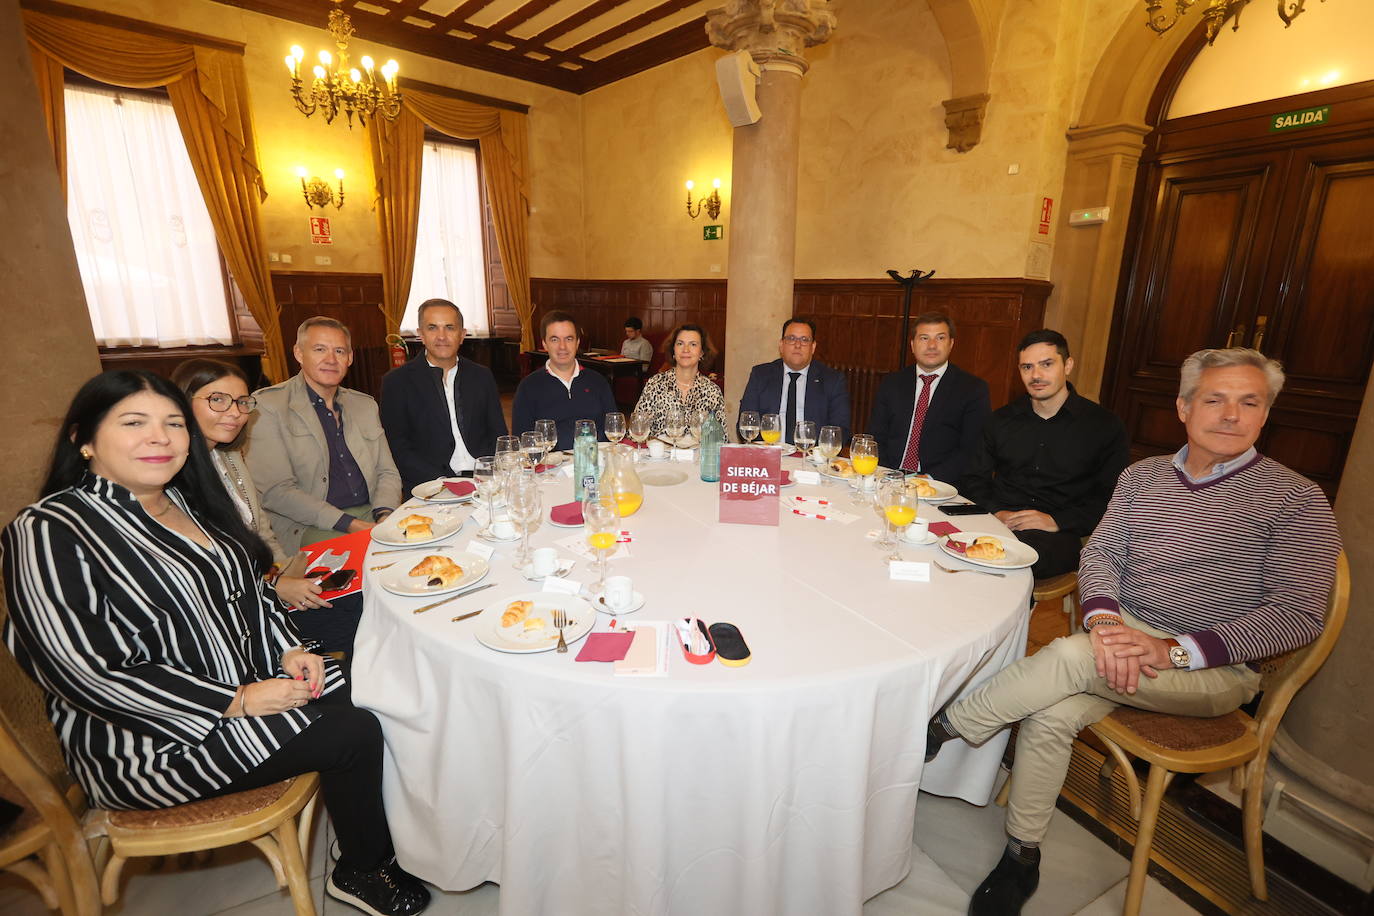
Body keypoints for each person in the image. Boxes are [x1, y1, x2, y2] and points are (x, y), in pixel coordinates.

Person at [924, 348, 1341, 915]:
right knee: (1051, 712)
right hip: (1117, 637)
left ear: (1266, 415)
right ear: (1184, 407)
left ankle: (937, 731)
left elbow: (1297, 614)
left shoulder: (1296, 498)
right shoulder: (1144, 475)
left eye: (1250, 403)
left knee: (1070, 659)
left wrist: (1173, 651)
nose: (1231, 415)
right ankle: (1022, 854)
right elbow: (1101, 553)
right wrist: (1104, 622)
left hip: (1214, 668)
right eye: (1215, 400)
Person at [1, 370, 430, 916]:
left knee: (380, 687)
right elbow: (82, 671)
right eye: (134, 423)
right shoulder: (51, 530)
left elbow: (249, 594)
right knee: (354, 731)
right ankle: (362, 870)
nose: (160, 438)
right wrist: (238, 700)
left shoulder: (183, 502)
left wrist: (288, 651)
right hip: (151, 741)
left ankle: (385, 835)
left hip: (250, 681)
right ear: (83, 439)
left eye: (173, 423)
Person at [173, 358, 363, 656]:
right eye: (218, 400)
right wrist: (276, 588)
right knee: (360, 618)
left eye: (241, 402)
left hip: (271, 584)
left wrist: (283, 573)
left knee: (364, 589)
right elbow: (207, 574)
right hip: (240, 616)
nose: (234, 413)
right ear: (181, 403)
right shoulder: (175, 479)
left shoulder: (229, 458)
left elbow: (261, 530)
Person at [958, 330, 1129, 579]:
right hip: (996, 522)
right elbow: (973, 479)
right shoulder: (1001, 420)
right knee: (941, 544)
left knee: (1001, 566)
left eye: (1046, 364)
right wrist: (998, 512)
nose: (1036, 375)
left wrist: (1056, 520)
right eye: (1027, 367)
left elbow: (1112, 500)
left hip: (1057, 535)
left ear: (1067, 365)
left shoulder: (1103, 426)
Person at [247, 317, 402, 555]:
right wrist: (352, 525)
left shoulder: (364, 405)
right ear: (299, 353)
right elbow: (277, 492)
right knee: (376, 558)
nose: (331, 359)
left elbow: (387, 472)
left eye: (339, 351)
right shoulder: (268, 406)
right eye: (320, 349)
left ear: (349, 358)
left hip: (372, 512)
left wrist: (385, 515)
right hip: (308, 525)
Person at [379, 299, 507, 493]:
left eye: (449, 327)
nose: (442, 336)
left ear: (462, 335)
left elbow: (498, 433)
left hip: (485, 480)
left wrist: (490, 473)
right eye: (432, 328)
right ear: (421, 334)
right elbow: (397, 447)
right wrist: (442, 483)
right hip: (430, 485)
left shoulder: (482, 376)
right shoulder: (397, 382)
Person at [869, 311, 990, 482]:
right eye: (924, 338)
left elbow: (971, 449)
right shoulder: (892, 383)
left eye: (940, 338)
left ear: (951, 344)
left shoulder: (972, 389)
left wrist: (929, 478)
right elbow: (876, 435)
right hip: (888, 476)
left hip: (939, 483)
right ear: (912, 345)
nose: (932, 345)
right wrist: (888, 473)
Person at [512, 310, 617, 450]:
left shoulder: (598, 382)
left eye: (569, 339)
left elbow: (612, 430)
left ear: (577, 343)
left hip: (595, 464)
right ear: (544, 344)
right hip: (549, 468)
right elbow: (522, 440)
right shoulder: (528, 387)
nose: (562, 347)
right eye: (555, 339)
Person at [738, 317, 852, 445]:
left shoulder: (833, 380)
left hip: (810, 457)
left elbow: (841, 429)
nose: (798, 345)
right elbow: (746, 422)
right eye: (791, 339)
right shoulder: (761, 375)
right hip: (769, 453)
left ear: (813, 347)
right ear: (781, 345)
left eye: (804, 340)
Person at [632, 323, 726, 438]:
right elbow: (636, 429)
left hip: (698, 455)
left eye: (693, 344)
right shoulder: (655, 384)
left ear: (702, 353)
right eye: (680, 344)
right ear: (673, 351)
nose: (685, 349)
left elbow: (722, 438)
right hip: (661, 455)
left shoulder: (712, 392)